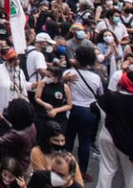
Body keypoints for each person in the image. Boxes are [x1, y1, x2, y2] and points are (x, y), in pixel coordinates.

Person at [63, 46, 102, 183]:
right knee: (84, 142)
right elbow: (100, 95)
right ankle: (83, 172)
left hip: (71, 110)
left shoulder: (68, 74)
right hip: (88, 112)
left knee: (68, 140)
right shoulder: (95, 78)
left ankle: (64, 169)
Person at [0, 98, 38, 173]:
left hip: (14, 167)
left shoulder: (17, 135)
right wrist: (1, 118)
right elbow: (14, 129)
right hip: (25, 161)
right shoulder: (31, 125)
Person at [30, 121, 84, 186]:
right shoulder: (37, 152)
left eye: (62, 140)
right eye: (56, 140)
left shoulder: (68, 157)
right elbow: (43, 179)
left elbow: (79, 180)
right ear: (47, 139)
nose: (60, 144)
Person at [33, 66, 72, 134]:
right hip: (43, 115)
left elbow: (69, 105)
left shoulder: (64, 87)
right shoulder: (42, 83)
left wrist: (55, 110)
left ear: (56, 77)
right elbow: (37, 98)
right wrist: (44, 104)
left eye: (48, 76)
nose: (46, 78)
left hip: (58, 117)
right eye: (45, 75)